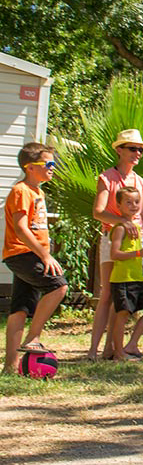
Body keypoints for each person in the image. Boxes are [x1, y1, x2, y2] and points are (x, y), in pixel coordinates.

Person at [3, 143, 67, 373]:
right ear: (30, 167)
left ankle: (9, 366)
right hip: (23, 253)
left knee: (20, 308)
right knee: (58, 286)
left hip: (26, 254)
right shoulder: (21, 191)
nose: (53, 168)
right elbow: (21, 229)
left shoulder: (38, 191)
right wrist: (45, 255)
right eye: (48, 164)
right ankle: (33, 337)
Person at [88, 129, 143, 361]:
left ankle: (112, 349)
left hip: (135, 243)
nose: (137, 153)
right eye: (133, 148)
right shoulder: (107, 178)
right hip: (112, 238)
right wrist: (122, 221)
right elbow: (98, 212)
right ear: (119, 150)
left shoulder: (140, 182)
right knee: (107, 295)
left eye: (140, 149)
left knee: (121, 298)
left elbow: (142, 217)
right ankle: (93, 351)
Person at [107, 186, 143, 361]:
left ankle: (132, 344)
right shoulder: (121, 227)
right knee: (122, 315)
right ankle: (118, 353)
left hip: (137, 278)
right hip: (122, 279)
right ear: (119, 205)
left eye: (137, 202)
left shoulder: (136, 227)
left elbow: (137, 251)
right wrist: (138, 254)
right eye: (128, 202)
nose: (133, 205)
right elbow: (114, 255)